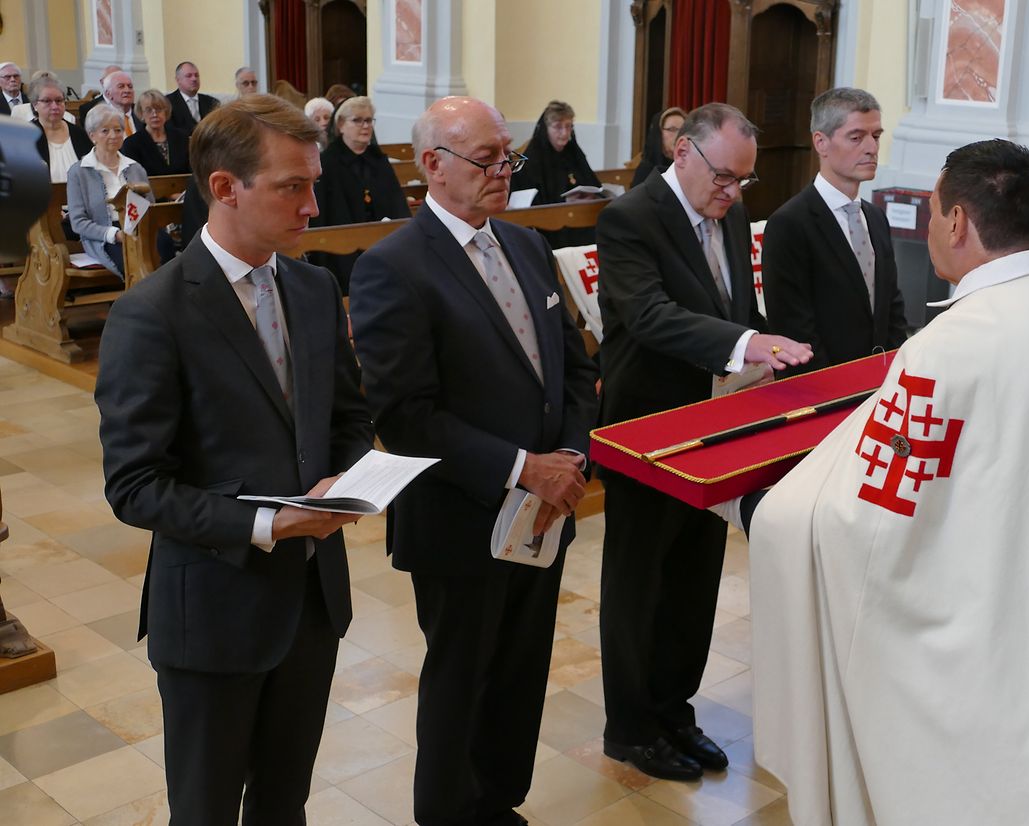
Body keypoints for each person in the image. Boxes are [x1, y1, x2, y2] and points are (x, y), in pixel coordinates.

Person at [738, 139, 1029, 825]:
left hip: (980, 629)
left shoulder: (946, 347)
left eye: (933, 211)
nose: (931, 225)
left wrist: (766, 511)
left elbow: (870, 520)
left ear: (957, 222)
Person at [94, 93, 374, 826]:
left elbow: (347, 416)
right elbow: (134, 485)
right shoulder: (152, 313)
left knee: (285, 803)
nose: (313, 206)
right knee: (207, 810)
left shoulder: (313, 288)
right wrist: (267, 523)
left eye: (314, 183)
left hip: (312, 603)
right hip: (214, 611)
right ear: (225, 187)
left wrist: (348, 478)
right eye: (293, 186)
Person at [349, 95, 597, 826]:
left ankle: (498, 805)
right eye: (487, 159)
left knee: (521, 673)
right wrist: (524, 467)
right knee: (462, 680)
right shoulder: (393, 266)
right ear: (433, 164)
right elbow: (405, 414)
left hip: (544, 510)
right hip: (463, 515)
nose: (503, 172)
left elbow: (574, 369)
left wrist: (570, 456)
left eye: (507, 157)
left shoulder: (524, 245)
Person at [594, 102, 812, 781]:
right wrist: (748, 343)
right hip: (649, 429)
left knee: (694, 579)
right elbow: (651, 315)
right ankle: (632, 729)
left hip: (718, 429)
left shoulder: (730, 213)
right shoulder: (630, 218)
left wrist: (772, 346)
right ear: (683, 151)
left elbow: (735, 306)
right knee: (640, 584)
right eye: (724, 177)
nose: (734, 193)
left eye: (744, 180)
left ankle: (674, 710)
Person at [763, 87, 908, 374]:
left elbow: (891, 305)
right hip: (822, 385)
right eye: (856, 137)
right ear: (821, 142)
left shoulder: (875, 217)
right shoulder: (790, 223)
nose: (872, 148)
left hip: (878, 381)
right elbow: (794, 327)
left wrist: (892, 371)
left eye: (876, 136)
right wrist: (836, 388)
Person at [310, 96, 408, 293]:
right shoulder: (327, 163)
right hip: (340, 253)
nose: (365, 126)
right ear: (340, 125)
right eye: (357, 120)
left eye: (369, 120)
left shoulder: (378, 160)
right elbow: (321, 217)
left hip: (382, 248)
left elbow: (397, 205)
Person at [66, 105, 152, 276]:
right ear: (92, 136)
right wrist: (115, 234)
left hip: (138, 230)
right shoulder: (79, 172)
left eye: (118, 130)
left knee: (164, 248)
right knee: (131, 262)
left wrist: (138, 229)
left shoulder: (135, 168)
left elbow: (150, 207)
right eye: (105, 131)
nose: (113, 135)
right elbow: (78, 222)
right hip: (103, 237)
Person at [510, 100, 601, 247]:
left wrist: (591, 196)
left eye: (568, 126)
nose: (564, 133)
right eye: (558, 127)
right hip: (549, 230)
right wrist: (563, 202)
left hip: (580, 221)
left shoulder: (574, 154)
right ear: (546, 128)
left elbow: (593, 183)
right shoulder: (533, 160)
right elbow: (530, 204)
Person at [31, 75, 92, 182]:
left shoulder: (79, 134)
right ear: (35, 104)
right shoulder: (27, 136)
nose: (54, 106)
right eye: (47, 101)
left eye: (59, 100)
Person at [123, 89, 192, 177]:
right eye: (149, 110)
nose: (155, 114)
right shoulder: (132, 143)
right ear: (141, 114)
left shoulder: (181, 138)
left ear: (166, 112)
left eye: (159, 109)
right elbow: (134, 177)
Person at [631, 106, 686, 187]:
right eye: (672, 129)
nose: (679, 135)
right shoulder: (646, 170)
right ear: (658, 134)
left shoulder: (689, 167)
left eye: (682, 130)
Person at [79, 71, 142, 137]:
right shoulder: (100, 117)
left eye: (130, 87)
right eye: (121, 87)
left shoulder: (141, 113)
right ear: (108, 93)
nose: (127, 90)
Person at [166, 61, 219, 132]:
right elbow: (170, 130)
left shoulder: (212, 102)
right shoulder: (167, 103)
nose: (194, 79)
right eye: (189, 76)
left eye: (196, 75)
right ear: (178, 80)